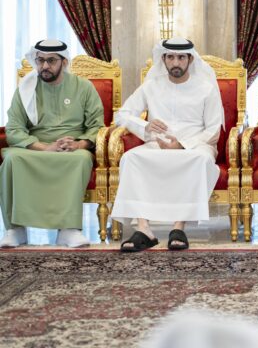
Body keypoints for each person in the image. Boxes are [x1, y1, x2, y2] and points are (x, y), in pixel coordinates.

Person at [112, 38, 224, 252]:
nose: (175, 62)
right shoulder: (151, 85)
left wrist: (181, 145)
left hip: (195, 145)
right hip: (158, 144)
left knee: (199, 160)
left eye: (181, 57)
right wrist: (145, 125)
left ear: (190, 59)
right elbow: (122, 115)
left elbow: (213, 130)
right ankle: (144, 229)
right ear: (163, 59)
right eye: (170, 57)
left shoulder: (206, 88)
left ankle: (178, 227)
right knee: (130, 158)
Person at [0, 39, 104, 248]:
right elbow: (14, 128)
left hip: (72, 147)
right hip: (35, 146)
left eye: (51, 61)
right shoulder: (26, 89)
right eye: (40, 61)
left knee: (81, 160)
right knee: (12, 158)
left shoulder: (84, 87)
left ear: (64, 62)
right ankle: (15, 229)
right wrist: (44, 147)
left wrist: (79, 145)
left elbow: (96, 126)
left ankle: (69, 229)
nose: (44, 66)